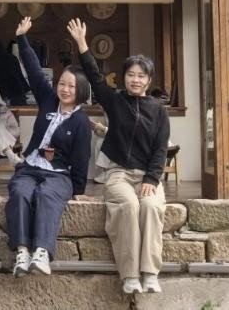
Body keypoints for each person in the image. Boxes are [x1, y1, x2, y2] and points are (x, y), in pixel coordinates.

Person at [68, 18, 170, 295]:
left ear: (149, 80)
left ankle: (150, 273)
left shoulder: (158, 110)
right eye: (131, 75)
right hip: (118, 174)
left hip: (147, 176)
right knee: (128, 205)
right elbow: (94, 76)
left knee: (150, 207)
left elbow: (160, 148)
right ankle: (130, 275)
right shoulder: (115, 101)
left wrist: (152, 178)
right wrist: (82, 43)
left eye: (141, 76)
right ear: (124, 77)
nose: (135, 80)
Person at [6, 16, 93, 277]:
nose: (65, 89)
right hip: (30, 166)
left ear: (81, 90)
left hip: (59, 174)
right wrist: (22, 39)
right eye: (62, 84)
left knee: (46, 195)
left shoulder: (81, 121)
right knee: (20, 191)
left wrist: (78, 190)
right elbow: (33, 70)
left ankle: (42, 253)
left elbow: (81, 158)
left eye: (71, 86)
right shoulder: (47, 99)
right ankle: (22, 251)